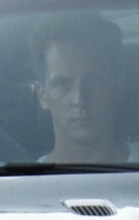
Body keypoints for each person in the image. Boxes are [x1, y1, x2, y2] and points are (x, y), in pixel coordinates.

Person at [29, 12, 126, 164]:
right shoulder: (6, 181)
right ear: (42, 95)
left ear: (117, 86)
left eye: (93, 81)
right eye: (62, 84)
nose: (79, 99)